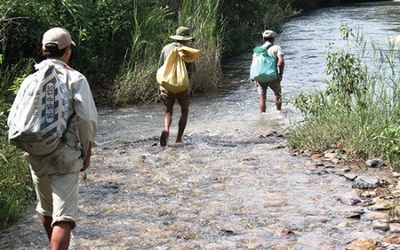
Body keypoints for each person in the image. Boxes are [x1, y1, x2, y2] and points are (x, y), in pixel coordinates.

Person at [26, 27, 98, 250]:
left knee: (46, 211)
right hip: (65, 154)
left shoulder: (31, 80)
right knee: (64, 218)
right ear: (67, 51)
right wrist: (87, 150)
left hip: (36, 152)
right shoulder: (75, 78)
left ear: (43, 50)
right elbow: (86, 119)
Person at [158, 26, 196, 146]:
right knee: (184, 111)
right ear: (186, 39)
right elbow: (190, 72)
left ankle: (167, 129)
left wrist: (158, 89)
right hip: (182, 87)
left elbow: (161, 69)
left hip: (167, 86)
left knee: (168, 111)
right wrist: (190, 88)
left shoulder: (166, 49)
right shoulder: (188, 52)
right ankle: (178, 139)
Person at [254, 29, 285, 112]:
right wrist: (280, 74)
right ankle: (278, 112)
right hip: (272, 75)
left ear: (263, 39)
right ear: (273, 38)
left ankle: (262, 115)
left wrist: (255, 78)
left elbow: (254, 64)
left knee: (262, 98)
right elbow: (281, 62)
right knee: (278, 95)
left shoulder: (258, 50)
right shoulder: (277, 48)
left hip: (260, 76)